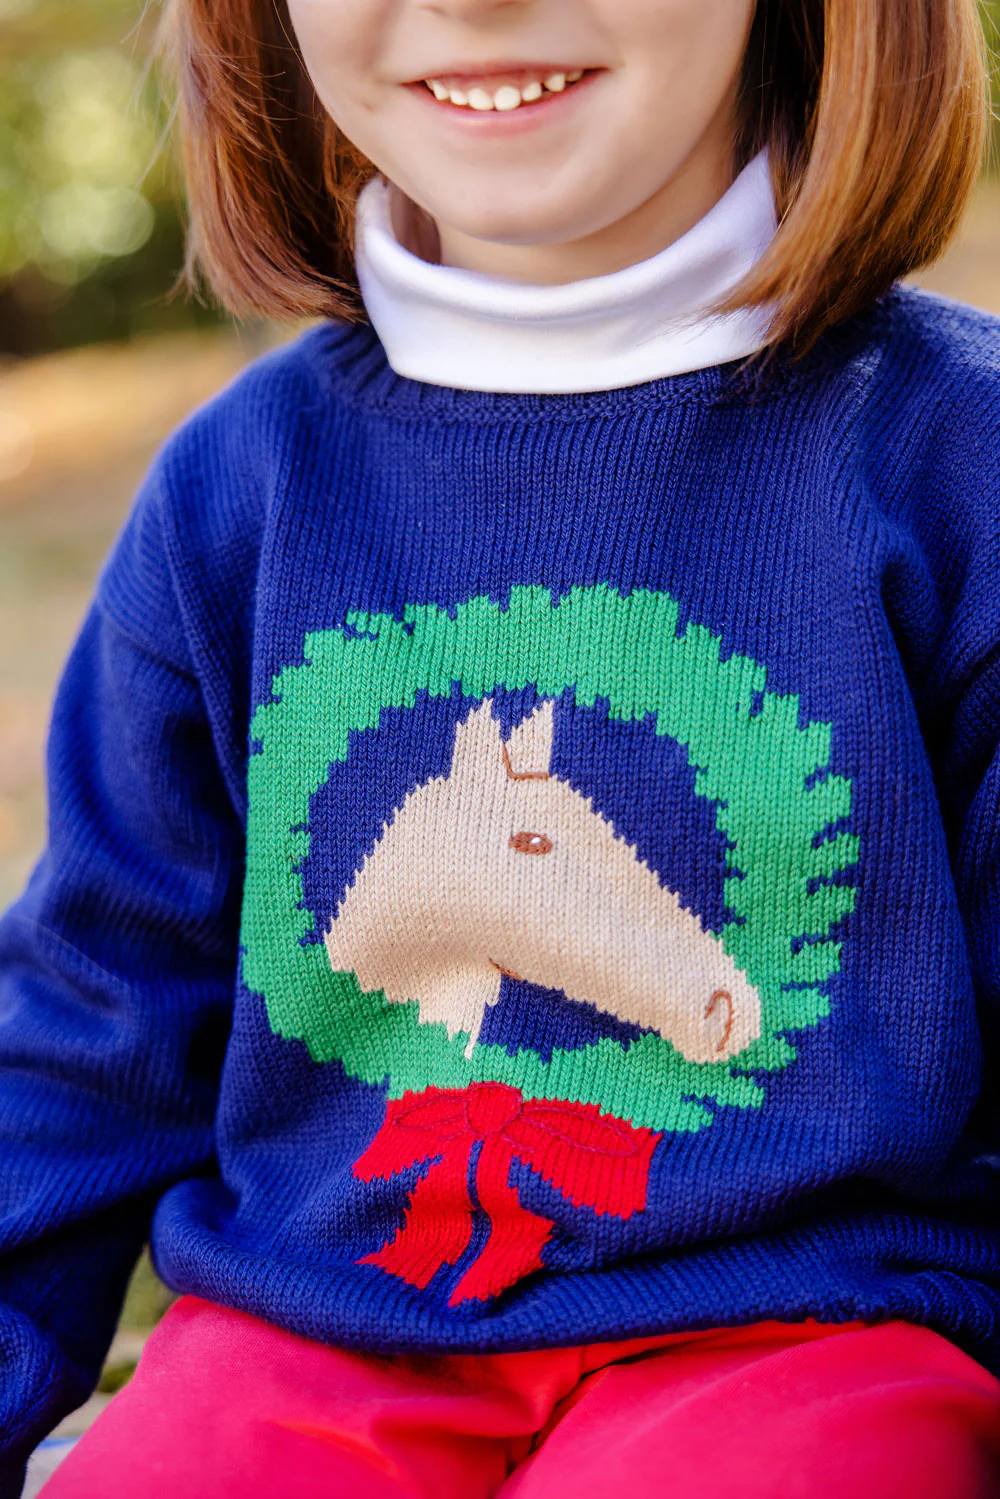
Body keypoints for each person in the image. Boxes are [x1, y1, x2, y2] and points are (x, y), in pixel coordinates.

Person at [3, 0, 1000, 1494]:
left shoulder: (952, 464)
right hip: (313, 1333)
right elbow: (94, 1017)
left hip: (813, 1334)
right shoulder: (234, 491)